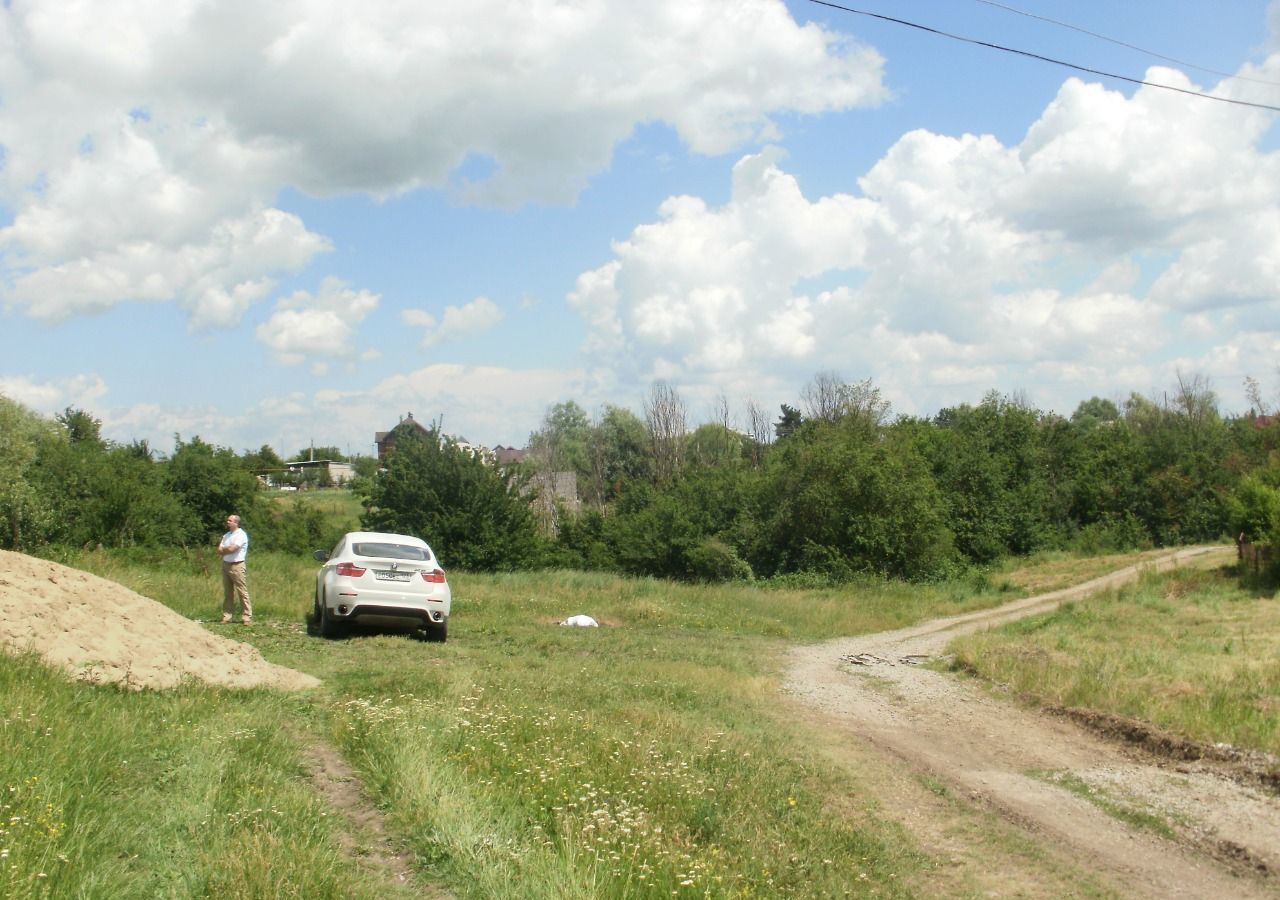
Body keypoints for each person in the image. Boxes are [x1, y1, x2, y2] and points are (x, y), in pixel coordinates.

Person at [218, 514, 252, 624]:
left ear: (236, 522)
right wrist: (224, 549)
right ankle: (227, 616)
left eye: (230, 520)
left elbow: (233, 548)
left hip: (237, 565)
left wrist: (225, 549)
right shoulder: (226, 535)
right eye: (227, 520)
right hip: (226, 564)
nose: (227, 522)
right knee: (228, 592)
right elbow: (219, 549)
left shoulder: (241, 535)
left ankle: (246, 616)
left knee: (242, 591)